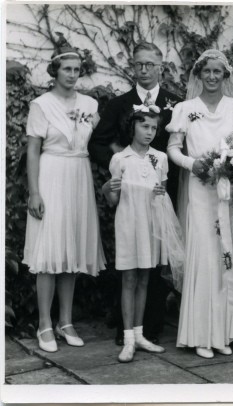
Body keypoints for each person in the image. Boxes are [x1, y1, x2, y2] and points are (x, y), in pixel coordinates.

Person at [166, 49, 233, 359]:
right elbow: (172, 149)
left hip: (229, 191)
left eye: (217, 72)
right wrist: (193, 164)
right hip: (200, 189)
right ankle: (201, 334)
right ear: (198, 74)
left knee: (227, 257)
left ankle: (224, 333)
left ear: (225, 76)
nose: (211, 77)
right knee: (205, 258)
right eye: (206, 71)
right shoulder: (184, 108)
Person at [89, 42, 182, 345]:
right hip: (129, 197)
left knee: (154, 264)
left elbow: (180, 150)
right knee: (130, 265)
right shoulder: (119, 104)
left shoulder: (174, 104)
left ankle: (151, 327)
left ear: (160, 67)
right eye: (138, 64)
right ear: (133, 66)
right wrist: (123, 166)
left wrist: (167, 185)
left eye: (149, 64)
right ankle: (126, 330)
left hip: (159, 194)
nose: (143, 70)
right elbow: (98, 144)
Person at [23, 46, 106, 352]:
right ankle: (45, 324)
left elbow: (99, 141)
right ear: (54, 72)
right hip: (51, 174)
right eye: (66, 69)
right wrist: (34, 192)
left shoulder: (89, 103)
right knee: (49, 253)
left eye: (76, 69)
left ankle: (65, 321)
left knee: (71, 252)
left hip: (78, 175)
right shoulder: (41, 105)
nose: (72, 74)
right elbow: (33, 149)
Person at [103, 107, 183, 363]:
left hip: (151, 223)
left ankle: (139, 334)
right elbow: (114, 201)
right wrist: (107, 190)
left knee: (145, 280)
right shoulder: (120, 159)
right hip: (128, 223)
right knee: (128, 279)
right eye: (144, 126)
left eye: (153, 128)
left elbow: (162, 193)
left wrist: (160, 193)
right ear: (132, 127)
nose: (150, 132)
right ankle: (127, 338)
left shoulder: (160, 158)